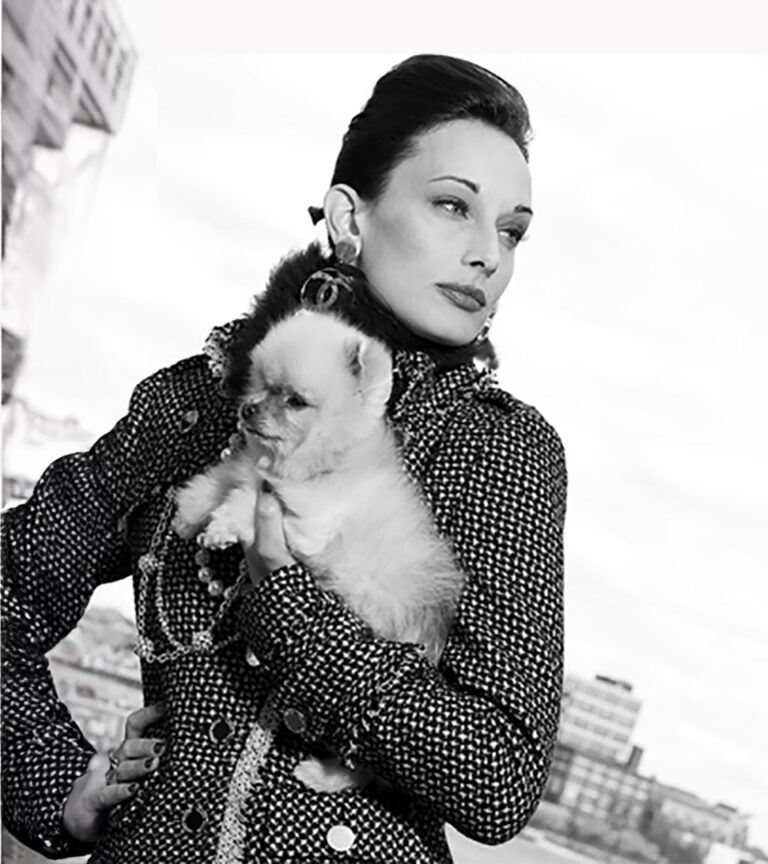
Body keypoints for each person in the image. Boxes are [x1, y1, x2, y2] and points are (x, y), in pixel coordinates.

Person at [1, 54, 567, 863]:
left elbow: (500, 776)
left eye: (511, 231)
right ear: (350, 216)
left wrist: (293, 612)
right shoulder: (204, 400)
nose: (489, 254)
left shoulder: (495, 448)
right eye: (453, 207)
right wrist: (61, 789)